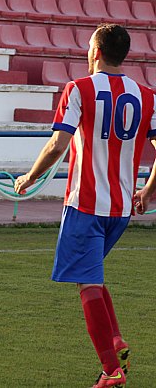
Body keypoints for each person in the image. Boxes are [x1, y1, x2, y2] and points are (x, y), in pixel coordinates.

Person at [14, 23, 156, 387]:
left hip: (85, 203)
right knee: (91, 274)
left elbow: (58, 145)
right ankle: (115, 340)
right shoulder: (147, 96)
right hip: (122, 207)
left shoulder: (78, 88)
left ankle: (111, 370)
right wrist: (148, 191)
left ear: (95, 52)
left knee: (85, 281)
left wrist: (29, 177)